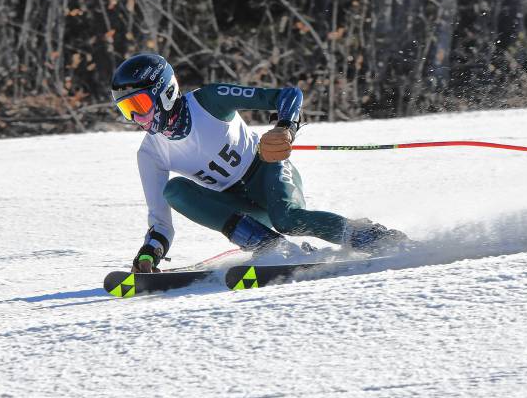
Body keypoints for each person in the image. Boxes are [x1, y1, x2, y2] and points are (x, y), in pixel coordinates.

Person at [111, 53, 408, 273]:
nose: (137, 120)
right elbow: (161, 223)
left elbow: (288, 95)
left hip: (268, 170)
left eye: (140, 106)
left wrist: (285, 128)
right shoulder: (150, 153)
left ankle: (373, 237)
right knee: (175, 190)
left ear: (165, 93)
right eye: (127, 111)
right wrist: (150, 253)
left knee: (288, 220)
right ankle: (269, 247)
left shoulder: (209, 100)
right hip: (238, 206)